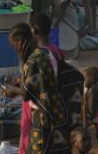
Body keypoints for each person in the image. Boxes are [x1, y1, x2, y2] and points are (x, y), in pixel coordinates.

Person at [5, 23, 68, 154]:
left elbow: (26, 93)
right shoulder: (40, 54)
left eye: (14, 44)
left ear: (21, 42)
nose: (14, 49)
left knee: (39, 148)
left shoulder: (32, 61)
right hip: (53, 111)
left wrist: (13, 90)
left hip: (43, 116)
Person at [83, 67, 98, 146]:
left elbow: (92, 106)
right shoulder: (93, 88)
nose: (84, 81)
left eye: (85, 79)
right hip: (97, 114)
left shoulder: (92, 90)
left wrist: (89, 118)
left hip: (96, 115)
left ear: (91, 78)